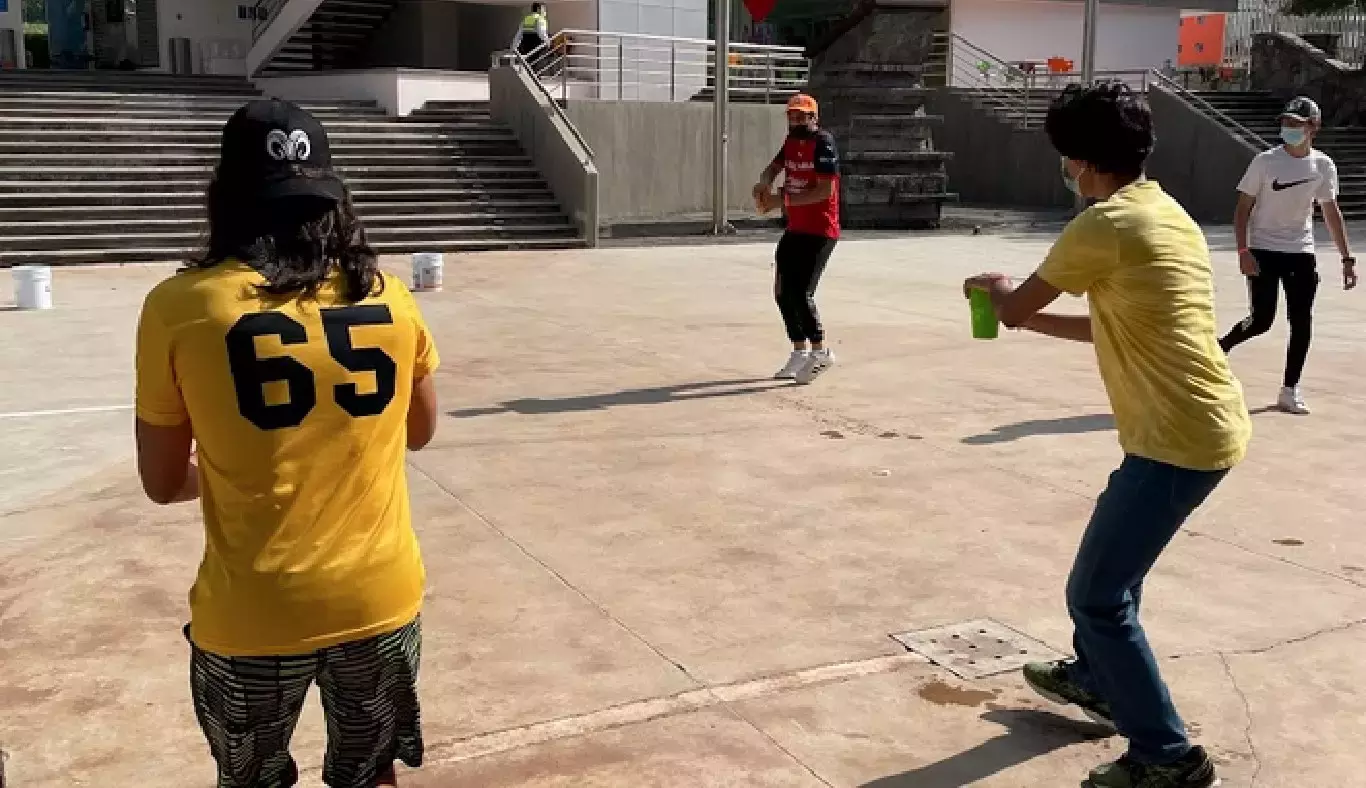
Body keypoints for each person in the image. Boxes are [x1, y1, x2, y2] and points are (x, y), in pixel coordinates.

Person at [134, 99, 441, 788]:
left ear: (226, 200)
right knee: (372, 775)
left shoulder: (181, 306)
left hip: (250, 613)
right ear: (332, 199)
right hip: (377, 598)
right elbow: (418, 432)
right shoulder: (391, 297)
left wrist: (229, 467)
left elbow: (161, 480)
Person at [963, 82, 1250, 788]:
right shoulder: (1164, 212)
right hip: (1194, 426)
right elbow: (1114, 323)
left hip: (1176, 439)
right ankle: (1096, 678)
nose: (1066, 170)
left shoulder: (1103, 226)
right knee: (1117, 577)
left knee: (1096, 595)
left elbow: (1014, 305)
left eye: (1067, 157)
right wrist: (1024, 316)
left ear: (1086, 161)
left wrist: (996, 290)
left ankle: (1168, 757)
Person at [1219, 95, 1358, 415]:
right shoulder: (1265, 162)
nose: (1289, 128)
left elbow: (1331, 212)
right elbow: (1242, 210)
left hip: (1300, 252)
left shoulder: (1323, 166)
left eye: (1296, 124)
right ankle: (1220, 348)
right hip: (1263, 250)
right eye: (1285, 123)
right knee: (1261, 320)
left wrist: (1346, 258)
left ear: (1314, 128)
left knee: (1301, 321)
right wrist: (1242, 250)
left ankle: (1290, 389)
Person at [753, 93, 841, 385]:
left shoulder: (823, 144)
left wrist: (781, 201)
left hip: (819, 231)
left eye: (804, 116)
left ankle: (821, 351)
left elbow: (824, 191)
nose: (798, 120)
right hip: (796, 229)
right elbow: (774, 167)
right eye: (793, 115)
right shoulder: (791, 143)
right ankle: (799, 351)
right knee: (782, 292)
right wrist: (763, 182)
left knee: (801, 292)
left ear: (815, 118)